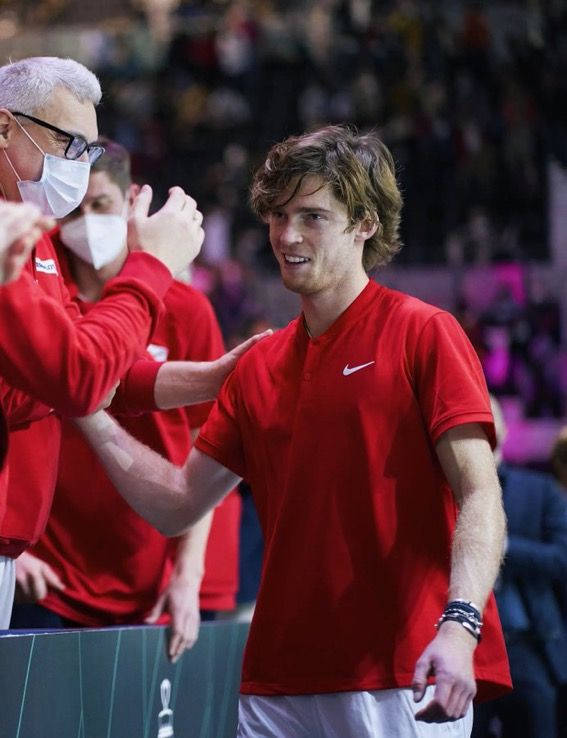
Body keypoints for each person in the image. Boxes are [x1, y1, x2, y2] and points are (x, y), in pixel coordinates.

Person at [75, 125, 511, 737]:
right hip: (276, 683)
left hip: (401, 672)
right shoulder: (256, 363)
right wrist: (84, 408)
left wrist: (460, 623)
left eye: (312, 216)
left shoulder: (424, 332)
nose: (287, 236)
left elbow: (480, 493)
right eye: (277, 216)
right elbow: (176, 504)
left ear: (364, 222)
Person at [0, 56, 265, 629]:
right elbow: (79, 379)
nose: (77, 167)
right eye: (70, 143)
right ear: (4, 127)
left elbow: (102, 376)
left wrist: (215, 376)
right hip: (47, 569)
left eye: (88, 152)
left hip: (42, 553)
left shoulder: (30, 231)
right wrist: (150, 268)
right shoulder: (18, 235)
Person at [472, 398, 567, 738]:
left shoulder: (540, 490)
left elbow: (562, 559)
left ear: (505, 427)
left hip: (529, 643)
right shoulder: (446, 489)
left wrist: (503, 546)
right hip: (469, 645)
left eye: (490, 416)